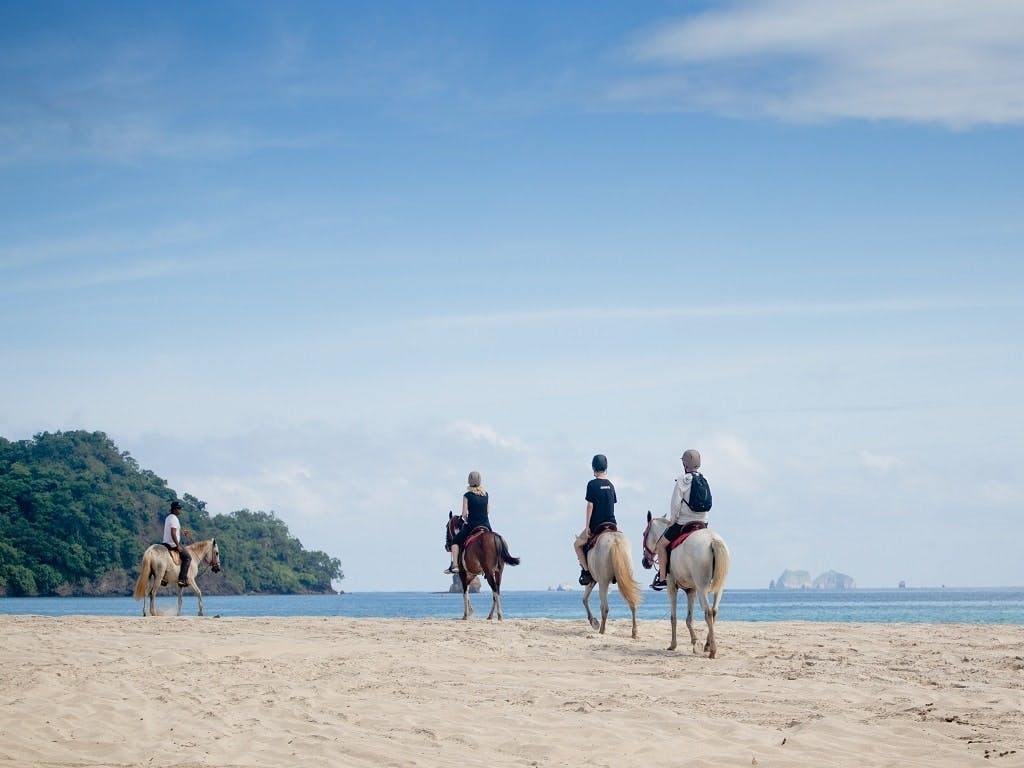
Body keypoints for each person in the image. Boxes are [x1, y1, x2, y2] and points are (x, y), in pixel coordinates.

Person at [651, 448, 708, 590]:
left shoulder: (682, 480)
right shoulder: (703, 479)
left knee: (661, 546)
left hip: (683, 522)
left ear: (685, 464)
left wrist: (672, 520)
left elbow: (675, 504)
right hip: (703, 522)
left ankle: (663, 578)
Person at [574, 454, 617, 586]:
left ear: (593, 467)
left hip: (597, 525)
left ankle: (586, 572)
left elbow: (590, 506)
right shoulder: (611, 485)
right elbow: (612, 505)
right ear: (606, 467)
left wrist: (587, 527)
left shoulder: (592, 484)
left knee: (577, 545)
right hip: (612, 524)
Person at [444, 471, 491, 574]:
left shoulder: (467, 495)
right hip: (486, 525)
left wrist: (466, 520)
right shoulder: (486, 494)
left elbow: (464, 514)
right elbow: (487, 511)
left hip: (473, 525)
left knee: (455, 541)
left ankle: (455, 565)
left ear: (469, 481)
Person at [163, 500, 193, 587]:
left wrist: (183, 532)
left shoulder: (168, 517)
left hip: (165, 543)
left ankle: (164, 578)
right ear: (174, 509)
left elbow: (175, 530)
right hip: (172, 545)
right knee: (187, 558)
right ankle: (182, 579)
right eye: (179, 508)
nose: (180, 510)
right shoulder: (174, 519)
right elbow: (173, 533)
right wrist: (177, 545)